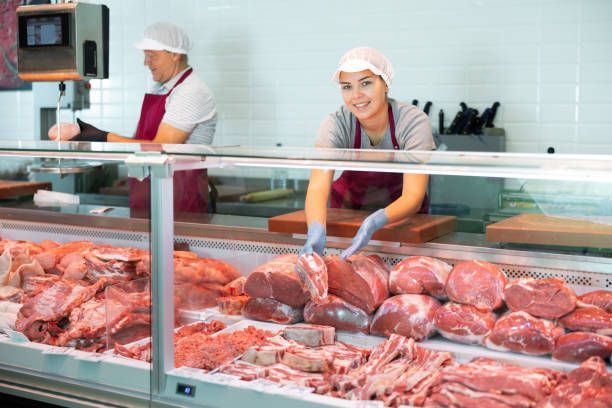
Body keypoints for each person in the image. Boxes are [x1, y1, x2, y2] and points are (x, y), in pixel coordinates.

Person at [49, 22, 217, 213]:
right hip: (149, 191)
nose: (146, 63)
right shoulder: (161, 89)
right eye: (145, 56)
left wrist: (97, 135)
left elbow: (160, 147)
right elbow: (139, 142)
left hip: (180, 198)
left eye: (151, 56)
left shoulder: (191, 92)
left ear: (175, 54)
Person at [302, 47, 435, 259]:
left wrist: (374, 222)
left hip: (401, 226)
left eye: (366, 83)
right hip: (347, 221)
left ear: (386, 84)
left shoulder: (412, 121)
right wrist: (315, 229)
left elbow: (413, 195)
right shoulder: (337, 123)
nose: (356, 96)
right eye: (347, 86)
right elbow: (318, 186)